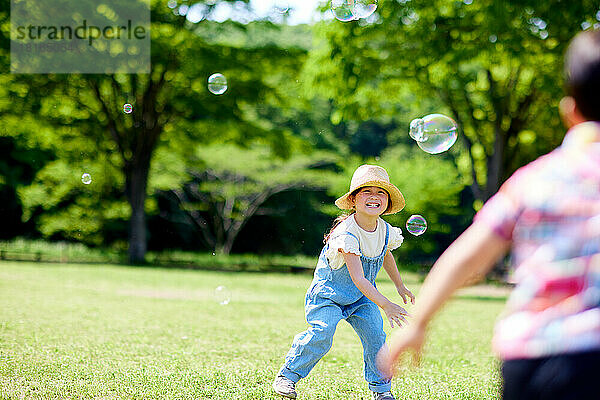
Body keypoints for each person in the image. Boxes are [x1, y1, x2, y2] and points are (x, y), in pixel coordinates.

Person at [377, 29, 600, 400]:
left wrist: (418, 324)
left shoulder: (534, 179)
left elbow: (466, 256)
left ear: (569, 111)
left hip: (534, 357)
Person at [273, 164, 415, 400]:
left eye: (381, 192)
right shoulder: (346, 233)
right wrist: (386, 304)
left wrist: (400, 285)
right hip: (329, 295)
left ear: (388, 202)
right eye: (366, 191)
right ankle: (287, 376)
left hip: (361, 298)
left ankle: (382, 391)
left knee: (375, 337)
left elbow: (386, 253)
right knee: (323, 332)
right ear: (352, 200)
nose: (374, 197)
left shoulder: (385, 230)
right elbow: (359, 278)